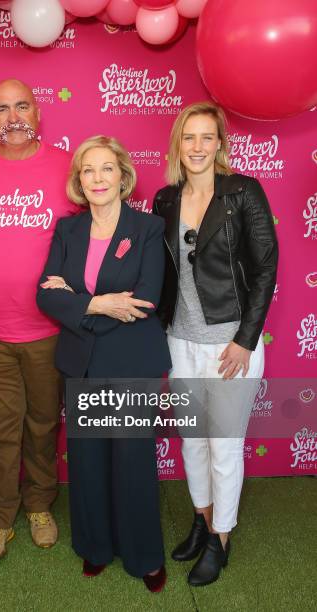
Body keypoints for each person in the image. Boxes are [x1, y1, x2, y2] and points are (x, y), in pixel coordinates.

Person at [37, 135, 171, 593]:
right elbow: (44, 293)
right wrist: (96, 304)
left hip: (132, 360)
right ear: (80, 180)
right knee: (90, 460)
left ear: (123, 176)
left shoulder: (148, 228)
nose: (97, 177)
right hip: (83, 361)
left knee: (133, 460)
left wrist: (78, 301)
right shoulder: (67, 230)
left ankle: (144, 557)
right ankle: (95, 547)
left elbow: (146, 299)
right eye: (88, 169)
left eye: (106, 168)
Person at [153, 101, 278, 586]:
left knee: (224, 446)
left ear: (220, 144)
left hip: (230, 345)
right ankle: (202, 521)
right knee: (192, 443)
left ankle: (220, 537)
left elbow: (266, 266)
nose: (198, 147)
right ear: (178, 145)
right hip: (179, 341)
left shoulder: (243, 192)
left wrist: (245, 340)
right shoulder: (165, 200)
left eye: (207, 138)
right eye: (190, 138)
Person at [0, 79, 76, 560]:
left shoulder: (68, 167)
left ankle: (40, 506)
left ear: (38, 112)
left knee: (44, 424)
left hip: (48, 331)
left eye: (21, 105)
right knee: (3, 428)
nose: (12, 117)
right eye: (1, 108)